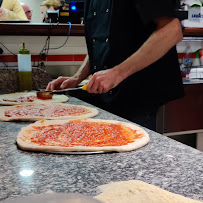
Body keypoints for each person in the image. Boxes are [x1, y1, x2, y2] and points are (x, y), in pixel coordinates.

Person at [46, 0, 184, 131]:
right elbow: (103, 41)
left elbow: (172, 30)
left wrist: (117, 73)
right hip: (105, 99)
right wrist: (77, 77)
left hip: (138, 98)